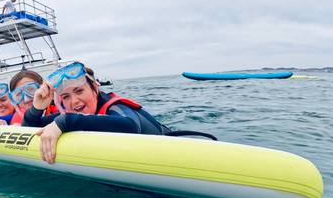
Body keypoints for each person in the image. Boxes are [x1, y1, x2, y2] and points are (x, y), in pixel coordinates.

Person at [22, 62, 216, 163]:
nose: (74, 101)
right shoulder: (73, 115)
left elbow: (129, 127)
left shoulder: (116, 108)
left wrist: (65, 122)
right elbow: (27, 129)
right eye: (65, 97)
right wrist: (37, 108)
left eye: (79, 91)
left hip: (180, 150)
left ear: (95, 89)